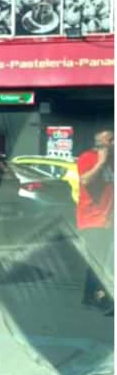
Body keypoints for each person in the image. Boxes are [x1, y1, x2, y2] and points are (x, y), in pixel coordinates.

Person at [77, 129, 114, 311]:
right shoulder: (88, 158)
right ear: (101, 144)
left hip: (108, 220)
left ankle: (90, 295)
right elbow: (85, 181)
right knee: (98, 261)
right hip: (92, 220)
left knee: (102, 261)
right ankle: (101, 298)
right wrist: (100, 162)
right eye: (112, 140)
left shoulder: (113, 162)